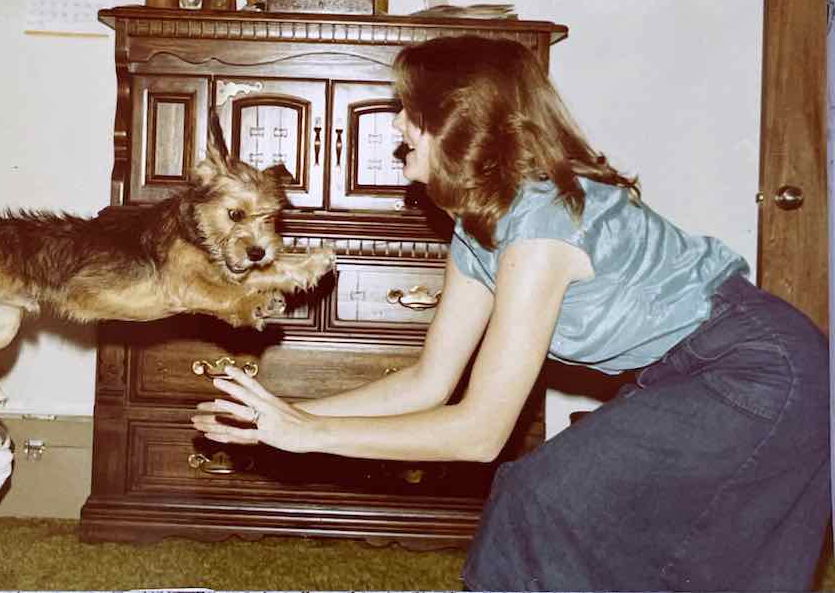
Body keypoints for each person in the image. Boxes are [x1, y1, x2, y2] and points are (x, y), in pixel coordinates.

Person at [191, 35, 830, 591]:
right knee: (589, 518)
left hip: (759, 371)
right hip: (698, 374)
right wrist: (276, 416)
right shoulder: (478, 230)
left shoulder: (542, 225)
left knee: (551, 500)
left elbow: (479, 433)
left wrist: (310, 436)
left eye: (409, 112)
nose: (396, 128)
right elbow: (428, 382)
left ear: (459, 123)